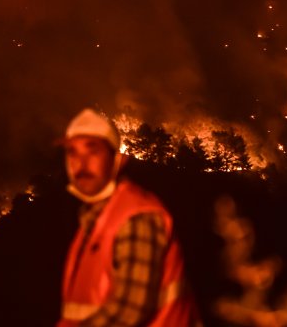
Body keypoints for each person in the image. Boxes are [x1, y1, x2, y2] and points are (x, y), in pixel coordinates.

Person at [57, 108, 199, 327]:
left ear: (118, 160)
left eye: (92, 151)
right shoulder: (93, 220)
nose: (81, 163)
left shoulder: (137, 217)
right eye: (72, 153)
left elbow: (129, 311)